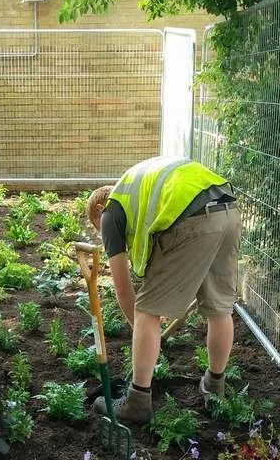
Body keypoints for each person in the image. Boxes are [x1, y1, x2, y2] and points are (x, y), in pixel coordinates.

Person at [86, 156, 241, 425]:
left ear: (99, 209)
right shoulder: (138, 192)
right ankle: (215, 385)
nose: (104, 235)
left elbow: (123, 289)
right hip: (227, 210)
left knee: (146, 309)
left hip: (191, 219)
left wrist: (145, 332)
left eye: (97, 228)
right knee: (219, 307)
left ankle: (137, 400)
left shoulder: (111, 212)